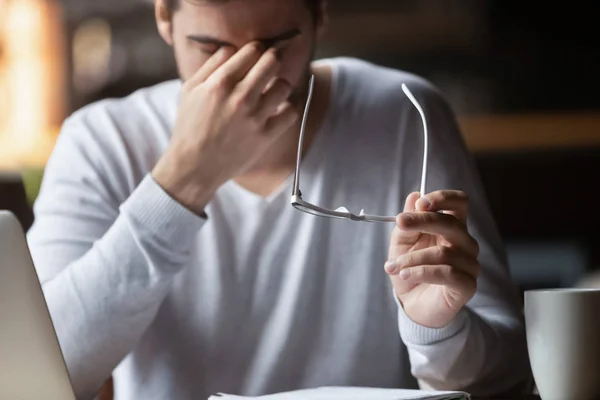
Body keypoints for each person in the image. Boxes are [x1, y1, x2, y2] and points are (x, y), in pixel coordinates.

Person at [26, 0, 533, 399]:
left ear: (321, 14)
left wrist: (436, 329)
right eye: (210, 49)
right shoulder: (101, 142)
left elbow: (503, 375)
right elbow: (37, 378)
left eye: (276, 47)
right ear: (164, 16)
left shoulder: (403, 114)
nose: (250, 80)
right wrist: (181, 183)